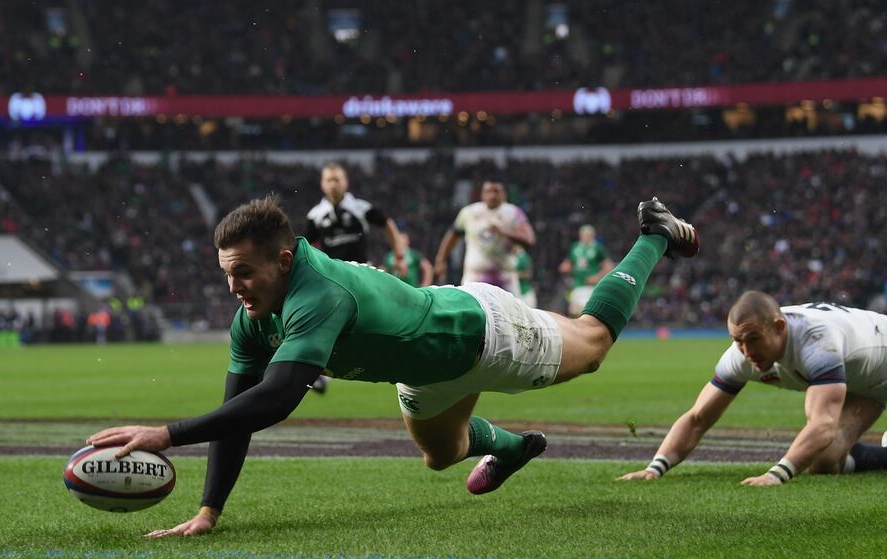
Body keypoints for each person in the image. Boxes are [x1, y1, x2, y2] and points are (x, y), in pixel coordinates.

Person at [87, 194, 699, 537]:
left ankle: (653, 232)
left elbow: (275, 400)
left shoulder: (318, 292)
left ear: (282, 257)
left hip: (478, 333)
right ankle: (511, 448)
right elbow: (236, 413)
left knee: (591, 343)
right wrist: (207, 512)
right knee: (441, 454)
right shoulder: (255, 314)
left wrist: (167, 435)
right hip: (424, 367)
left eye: (243, 272)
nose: (234, 288)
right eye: (226, 274)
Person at [618, 291, 887, 486]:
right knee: (823, 461)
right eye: (737, 341)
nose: (745, 351)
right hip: (854, 378)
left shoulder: (816, 341)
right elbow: (698, 417)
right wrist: (656, 468)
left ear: (779, 327)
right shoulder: (741, 354)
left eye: (752, 339)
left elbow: (821, 424)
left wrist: (777, 474)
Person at [303, 162, 407, 393]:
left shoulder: (360, 207)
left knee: (375, 318)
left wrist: (399, 255)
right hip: (332, 278)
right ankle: (321, 373)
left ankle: (400, 359)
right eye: (329, 179)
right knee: (330, 326)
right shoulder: (315, 215)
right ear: (322, 184)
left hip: (361, 273)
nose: (333, 184)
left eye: (337, 179)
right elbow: (308, 248)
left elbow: (387, 223)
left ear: (345, 182)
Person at [433, 179, 534, 297]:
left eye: (496, 191)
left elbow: (529, 240)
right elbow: (453, 234)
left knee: (512, 314)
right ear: (482, 194)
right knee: (470, 312)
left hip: (505, 277)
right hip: (475, 276)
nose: (492, 195)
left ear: (504, 194)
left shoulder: (514, 213)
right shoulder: (469, 212)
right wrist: (440, 259)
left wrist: (504, 232)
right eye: (488, 191)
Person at [559, 225, 614, 317]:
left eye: (588, 235)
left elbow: (609, 266)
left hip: (592, 287)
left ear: (593, 236)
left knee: (589, 314)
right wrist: (565, 267)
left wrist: (598, 277)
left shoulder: (597, 248)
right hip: (578, 285)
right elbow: (567, 263)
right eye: (584, 235)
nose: (586, 237)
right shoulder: (574, 247)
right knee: (575, 314)